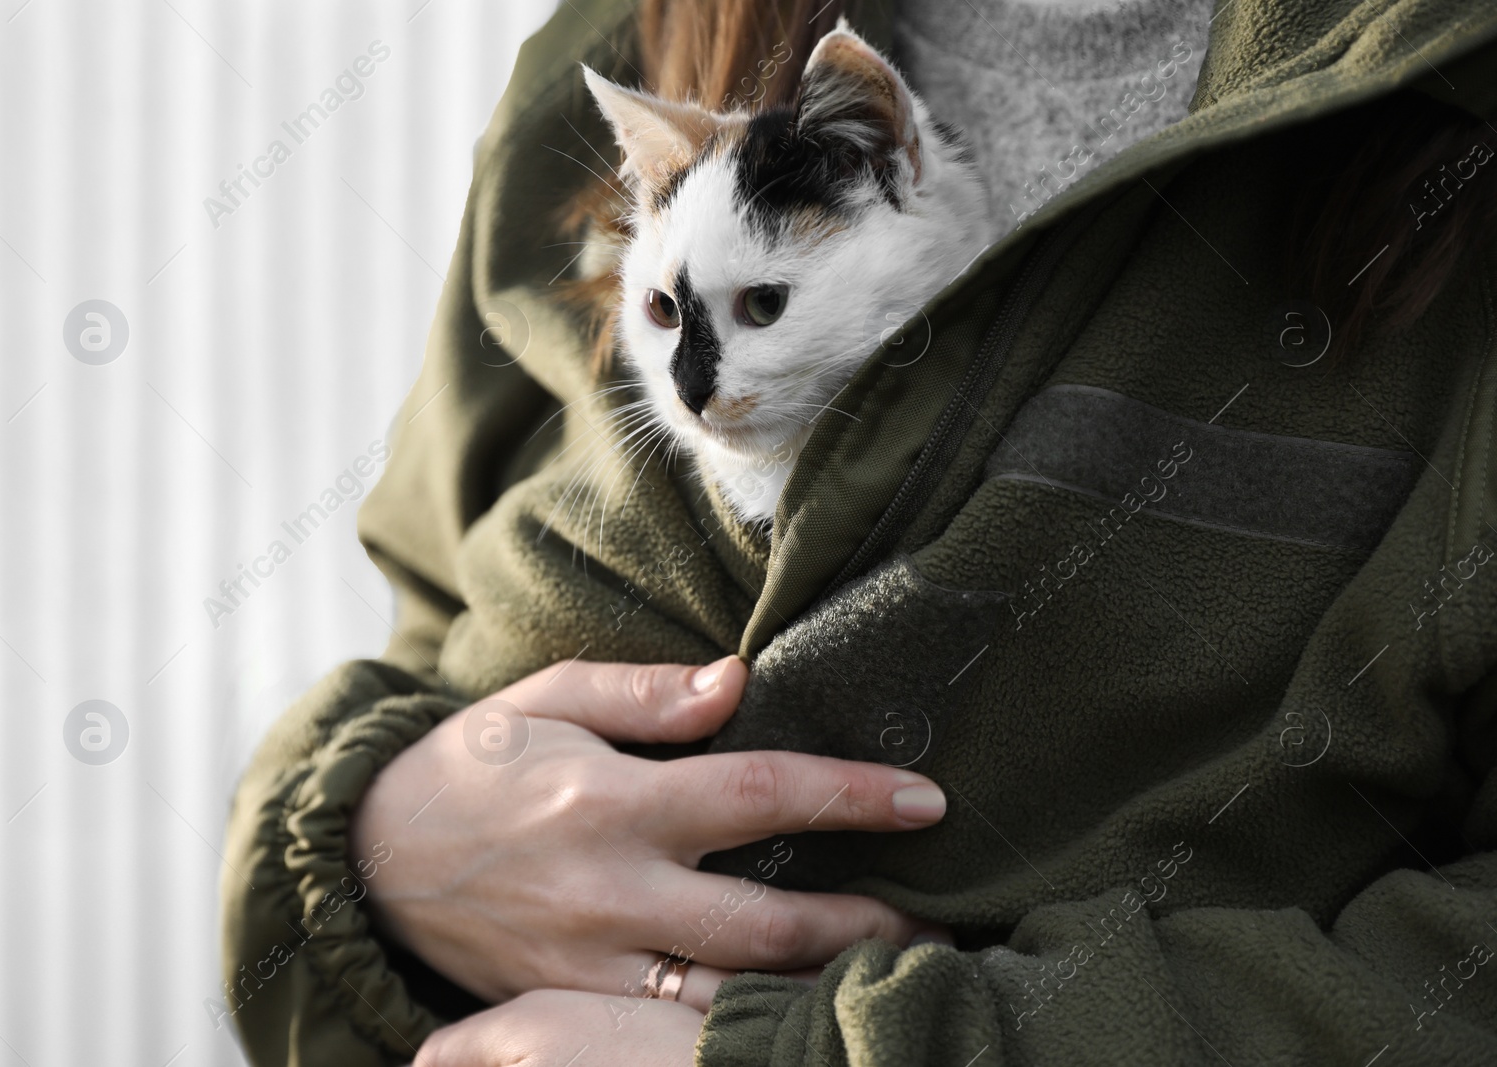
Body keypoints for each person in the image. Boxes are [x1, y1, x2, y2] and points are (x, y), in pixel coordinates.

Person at [220, 0, 1497, 1064]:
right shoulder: (624, 38)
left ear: (888, 161)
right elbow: (425, 632)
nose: (695, 390)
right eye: (664, 318)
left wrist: (830, 1047)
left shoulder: (1443, 99)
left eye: (765, 302)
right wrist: (367, 847)